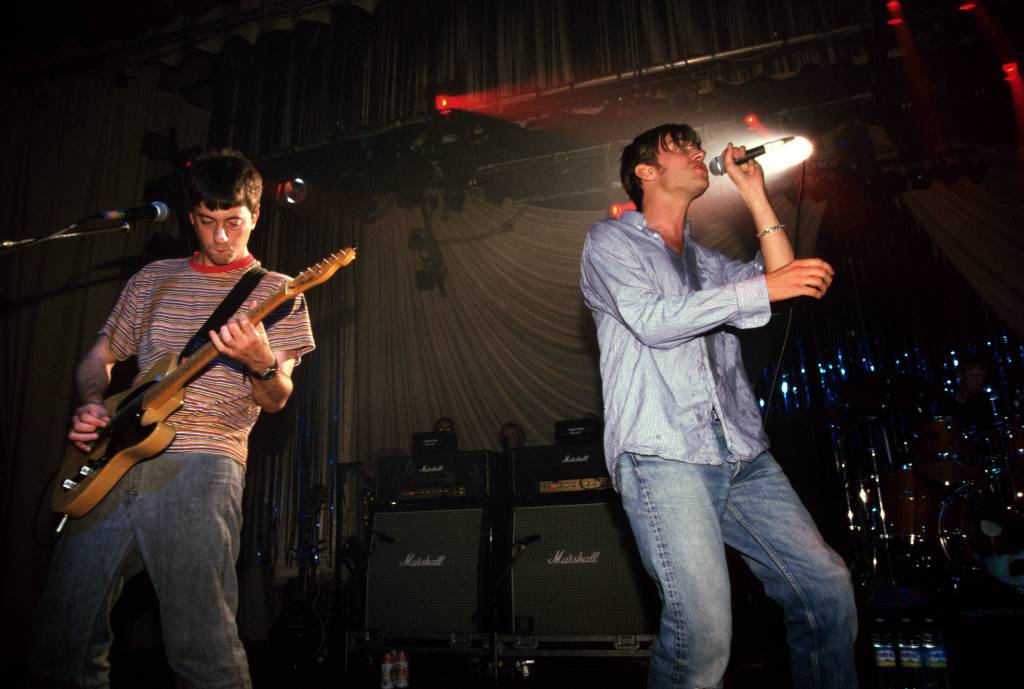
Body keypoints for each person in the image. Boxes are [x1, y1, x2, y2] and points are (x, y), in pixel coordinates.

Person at [580, 124, 857, 689]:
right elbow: (655, 322)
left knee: (825, 588)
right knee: (702, 635)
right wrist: (764, 289)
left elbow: (777, 284)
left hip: (742, 455)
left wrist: (753, 193)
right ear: (644, 172)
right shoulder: (610, 243)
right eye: (678, 146)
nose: (695, 153)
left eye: (694, 144)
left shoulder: (707, 262)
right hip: (665, 457)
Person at [30, 149, 315, 688]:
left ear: (256, 216)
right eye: (208, 222)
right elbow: (99, 359)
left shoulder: (278, 292)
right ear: (191, 217)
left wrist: (259, 362)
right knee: (62, 636)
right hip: (111, 465)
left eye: (234, 222)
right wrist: (93, 401)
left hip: (202, 464)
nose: (221, 236)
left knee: (201, 645)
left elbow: (277, 397)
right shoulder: (152, 279)